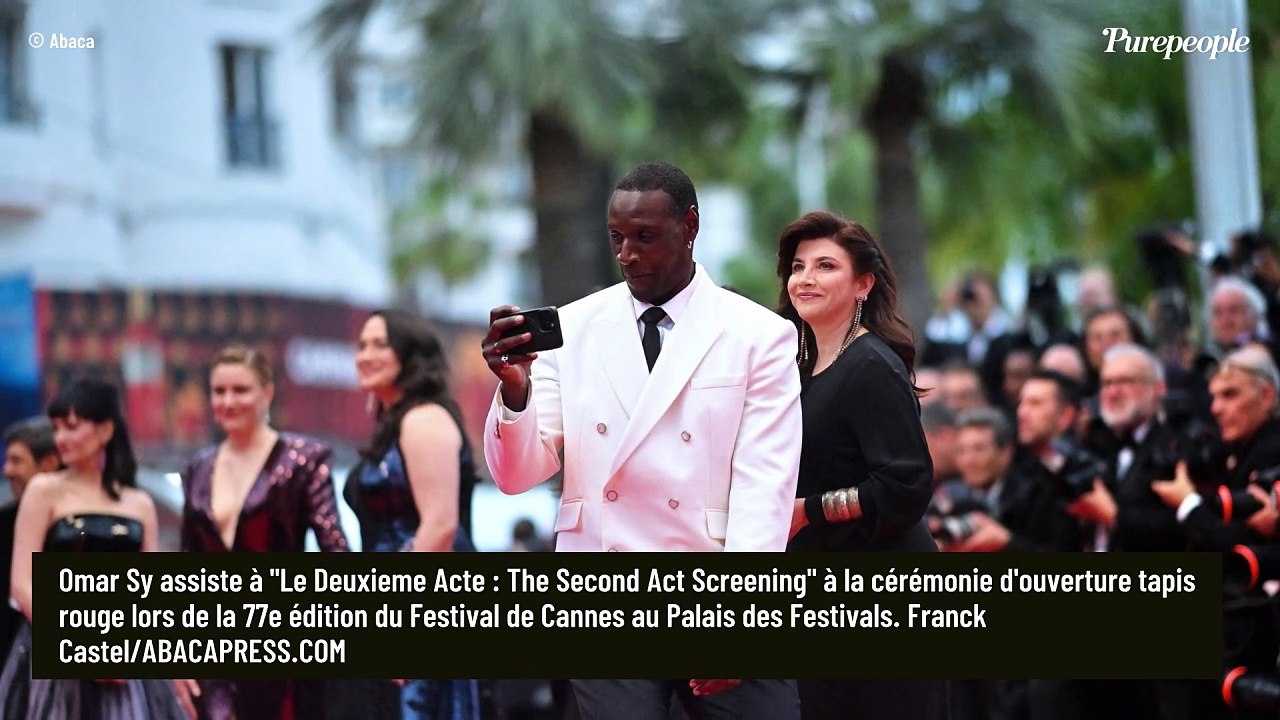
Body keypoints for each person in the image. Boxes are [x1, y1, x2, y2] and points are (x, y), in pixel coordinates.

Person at [481, 161, 802, 719]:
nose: (628, 254)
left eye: (645, 236)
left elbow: (764, 486)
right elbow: (515, 476)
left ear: (690, 225)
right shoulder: (573, 328)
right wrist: (514, 390)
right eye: (617, 238)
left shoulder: (759, 335)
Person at [776, 210, 943, 720]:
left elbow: (907, 484)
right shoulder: (796, 366)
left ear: (863, 284)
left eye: (825, 266)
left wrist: (810, 511)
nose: (805, 278)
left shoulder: (870, 364)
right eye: (798, 266)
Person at [178, 345, 349, 720]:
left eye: (240, 390)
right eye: (219, 391)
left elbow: (335, 550)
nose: (228, 401)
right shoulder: (196, 469)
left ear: (267, 392)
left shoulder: (303, 459)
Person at [0, 377, 185, 718]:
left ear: (105, 430)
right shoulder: (44, 491)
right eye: (57, 428)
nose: (60, 439)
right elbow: (23, 584)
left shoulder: (139, 502)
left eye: (71, 427)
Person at [346, 309, 480, 720]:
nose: (365, 355)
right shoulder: (396, 421)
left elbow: (440, 525)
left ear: (410, 355)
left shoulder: (424, 418)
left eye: (379, 344)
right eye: (362, 345)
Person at [1, 418, 60, 655]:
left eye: (17, 461)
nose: (7, 470)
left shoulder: (78, 527)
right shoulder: (5, 523)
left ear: (49, 463)